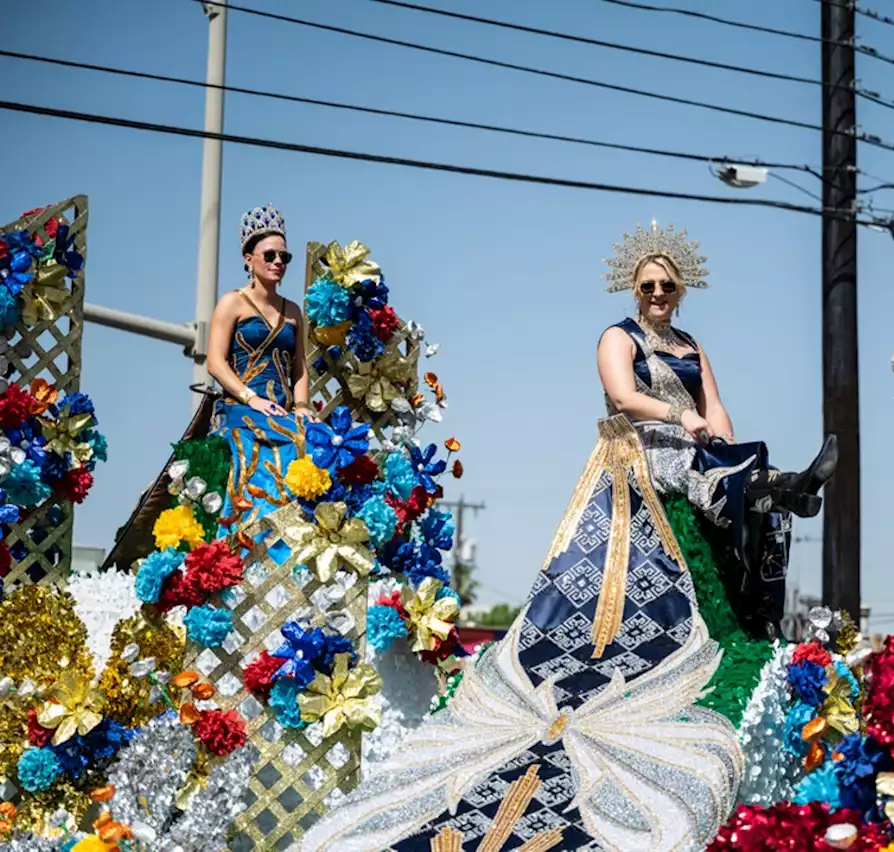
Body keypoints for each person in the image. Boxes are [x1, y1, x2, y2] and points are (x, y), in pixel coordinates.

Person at [297, 222, 837, 852]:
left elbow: (715, 406)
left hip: (693, 449)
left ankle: (773, 485)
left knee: (739, 476)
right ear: (636, 291)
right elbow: (623, 395)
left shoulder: (693, 345)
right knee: (720, 483)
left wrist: (721, 435)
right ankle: (771, 487)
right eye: (649, 285)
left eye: (667, 285)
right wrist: (681, 417)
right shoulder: (619, 337)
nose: (658, 293)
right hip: (643, 455)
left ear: (680, 290)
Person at [206, 204, 315, 553]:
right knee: (248, 452)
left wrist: (300, 405)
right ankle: (242, 542)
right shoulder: (231, 303)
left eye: (285, 256)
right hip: (240, 406)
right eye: (270, 254)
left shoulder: (293, 311)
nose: (278, 262)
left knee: (314, 440)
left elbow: (299, 366)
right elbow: (215, 362)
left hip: (281, 411)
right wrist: (250, 398)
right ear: (248, 258)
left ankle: (292, 544)